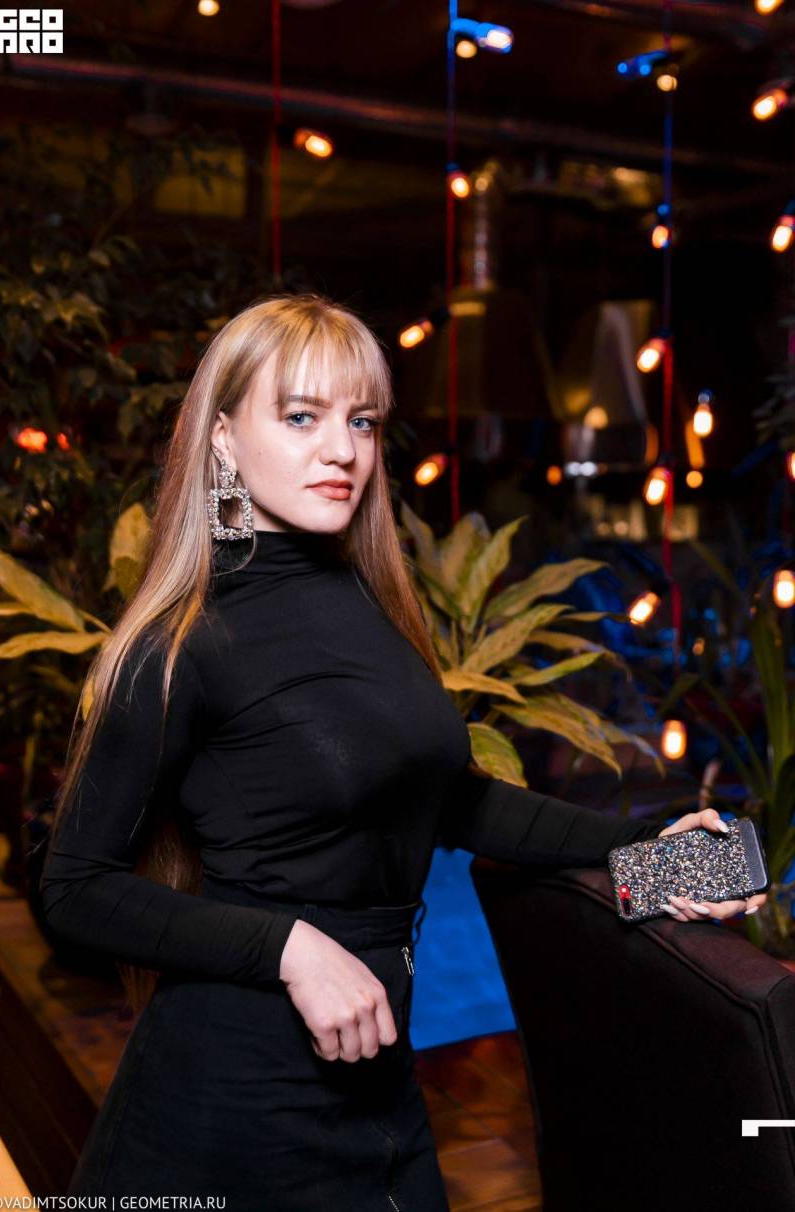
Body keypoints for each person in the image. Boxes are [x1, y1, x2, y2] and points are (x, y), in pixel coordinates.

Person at [40, 293, 767, 1210]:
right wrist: (291, 949)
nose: (341, 450)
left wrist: (651, 854)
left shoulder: (369, 606)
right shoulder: (182, 644)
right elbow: (74, 888)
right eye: (300, 417)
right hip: (232, 1100)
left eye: (362, 421)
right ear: (223, 438)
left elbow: (456, 802)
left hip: (380, 1082)